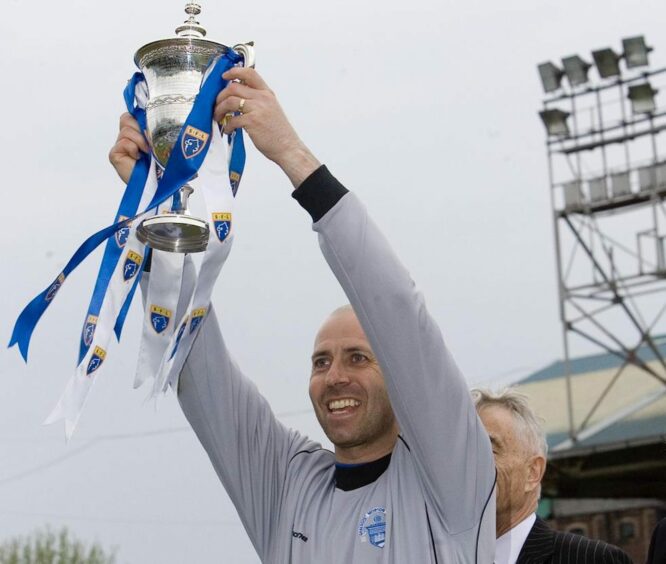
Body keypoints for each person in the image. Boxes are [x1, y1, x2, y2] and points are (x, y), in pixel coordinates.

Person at [110, 67, 497, 562]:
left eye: (358, 358)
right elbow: (201, 373)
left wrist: (292, 155)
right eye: (321, 362)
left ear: (398, 375)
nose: (335, 377)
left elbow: (397, 310)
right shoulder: (287, 484)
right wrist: (151, 205)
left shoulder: (450, 476)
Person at [472, 388, 633, 564]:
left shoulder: (593, 559)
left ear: (533, 472)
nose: (469, 463)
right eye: (461, 452)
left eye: (488, 449)